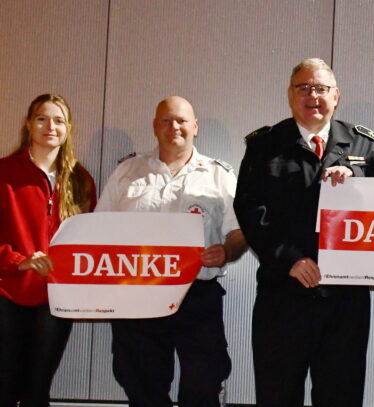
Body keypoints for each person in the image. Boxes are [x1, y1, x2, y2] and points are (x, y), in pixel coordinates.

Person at [234, 58, 374, 407]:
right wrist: (289, 260)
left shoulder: (364, 145)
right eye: (304, 88)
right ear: (290, 95)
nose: (313, 96)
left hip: (345, 300)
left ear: (336, 96)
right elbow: (250, 210)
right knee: (278, 396)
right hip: (283, 294)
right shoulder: (265, 145)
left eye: (321, 88)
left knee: (341, 396)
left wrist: (357, 180)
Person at [95, 96, 247, 407]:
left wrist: (226, 251)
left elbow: (239, 233)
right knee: (142, 386)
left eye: (181, 120)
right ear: (155, 126)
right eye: (165, 120)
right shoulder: (128, 171)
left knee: (203, 384)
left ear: (195, 127)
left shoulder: (219, 175)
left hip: (197, 294)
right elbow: (99, 229)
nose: (173, 126)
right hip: (137, 294)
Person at [0, 94, 96, 407]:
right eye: (42, 119)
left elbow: (90, 242)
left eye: (58, 121)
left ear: (69, 128)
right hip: (7, 293)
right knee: (4, 387)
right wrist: (18, 260)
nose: (50, 127)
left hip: (56, 299)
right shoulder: (4, 173)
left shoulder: (81, 180)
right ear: (28, 124)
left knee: (37, 390)